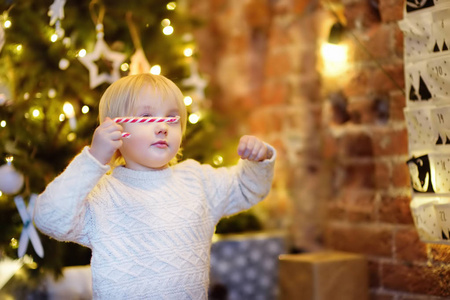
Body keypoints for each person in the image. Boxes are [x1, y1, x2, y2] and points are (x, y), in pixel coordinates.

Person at [34, 74, 276, 299]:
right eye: (147, 118)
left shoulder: (197, 181)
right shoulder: (102, 196)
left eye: (172, 118)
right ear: (116, 130)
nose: (163, 127)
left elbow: (247, 188)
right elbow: (49, 217)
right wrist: (93, 158)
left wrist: (259, 160)